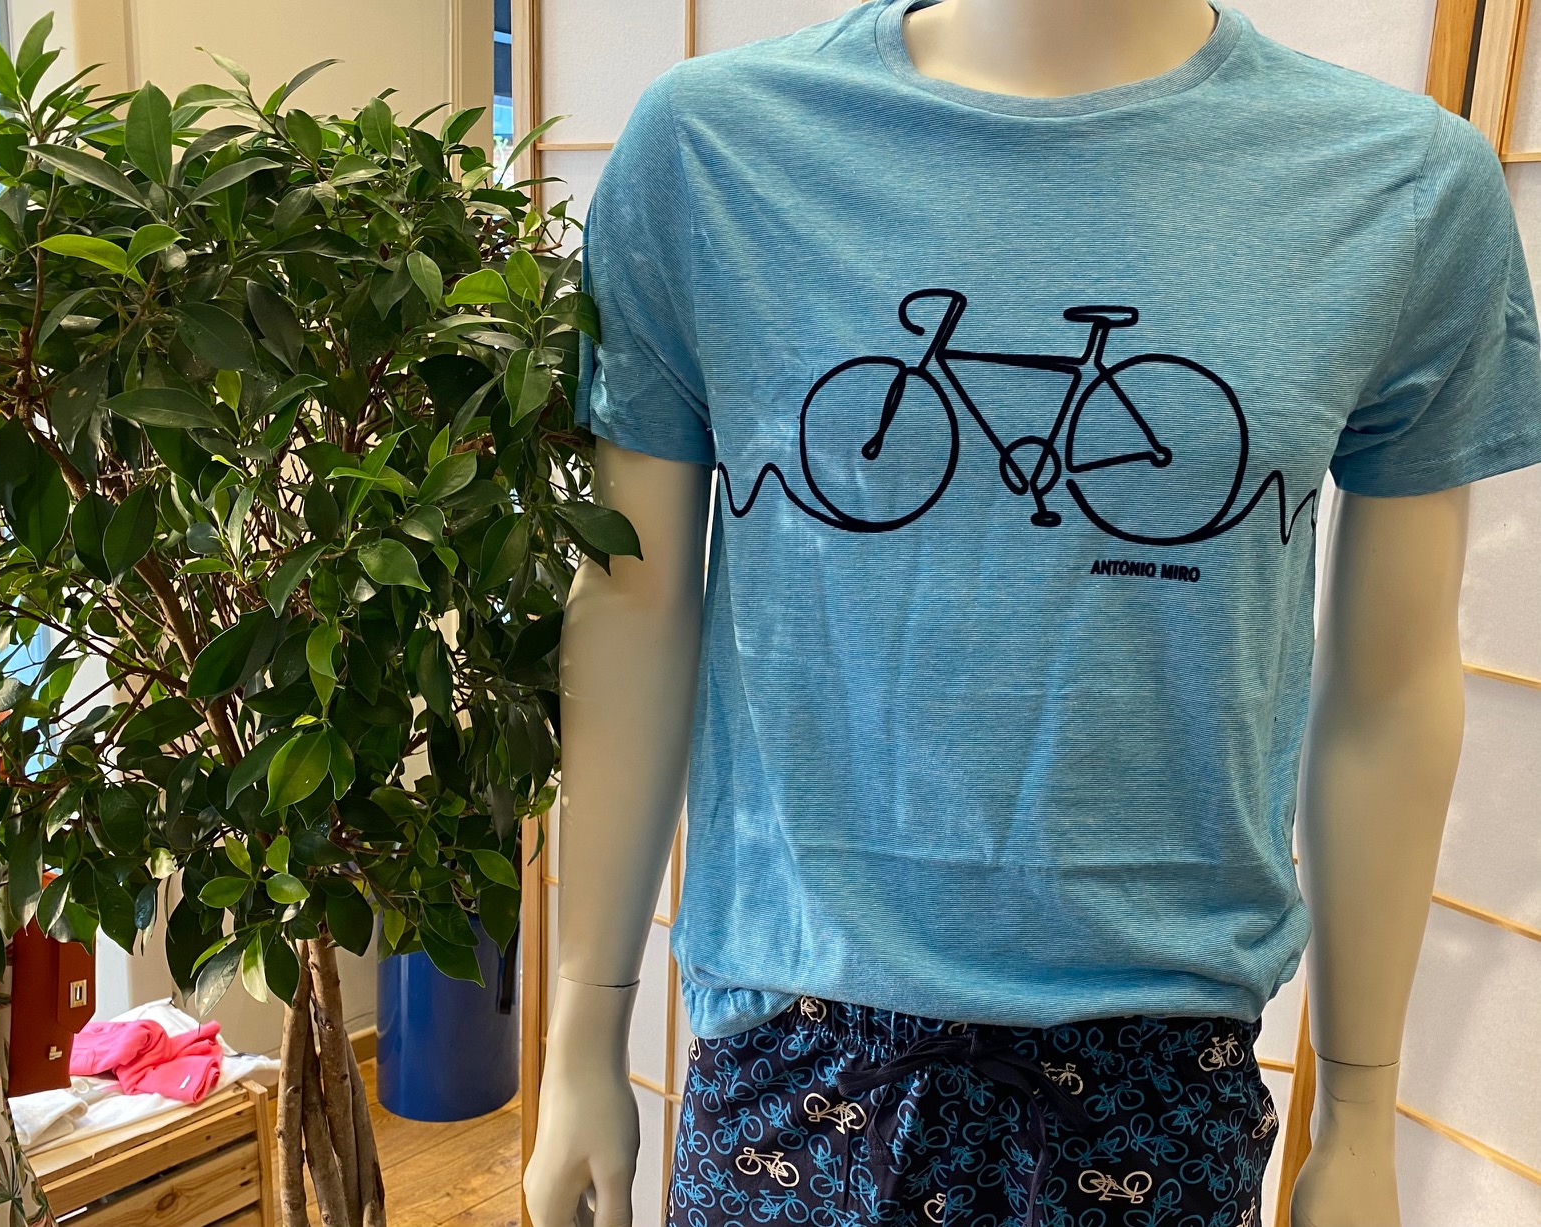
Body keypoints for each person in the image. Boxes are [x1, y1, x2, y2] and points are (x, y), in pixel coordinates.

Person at [524, 1, 1541, 1224]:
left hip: (1157, 1070)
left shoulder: (1404, 185)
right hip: (791, 1051)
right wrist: (582, 1033)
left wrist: (1360, 1116)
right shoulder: (710, 147)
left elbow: (1390, 689)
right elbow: (632, 600)